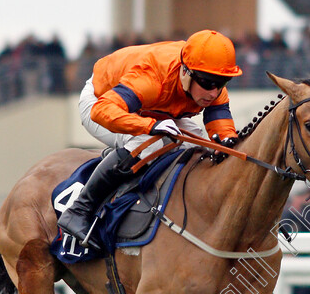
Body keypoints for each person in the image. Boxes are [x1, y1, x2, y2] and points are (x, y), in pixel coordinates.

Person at [57, 30, 243, 250]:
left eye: (222, 82)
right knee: (150, 142)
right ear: (185, 71)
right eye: (207, 82)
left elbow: (219, 123)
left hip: (155, 110)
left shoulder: (210, 82)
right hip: (101, 101)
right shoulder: (152, 77)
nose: (214, 92)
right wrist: (150, 126)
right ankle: (79, 210)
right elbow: (102, 111)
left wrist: (227, 142)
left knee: (199, 146)